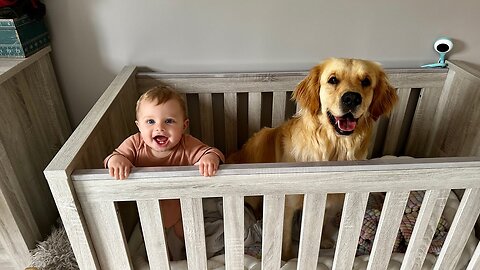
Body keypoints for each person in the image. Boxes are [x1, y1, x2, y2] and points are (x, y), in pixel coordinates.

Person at [104, 85, 225, 259]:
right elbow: (114, 157)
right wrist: (117, 161)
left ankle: (194, 258)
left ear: (184, 126)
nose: (159, 128)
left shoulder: (187, 144)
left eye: (169, 121)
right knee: (156, 247)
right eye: (150, 121)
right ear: (139, 126)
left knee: (192, 241)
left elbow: (210, 152)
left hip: (184, 209)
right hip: (150, 213)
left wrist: (209, 158)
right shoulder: (135, 144)